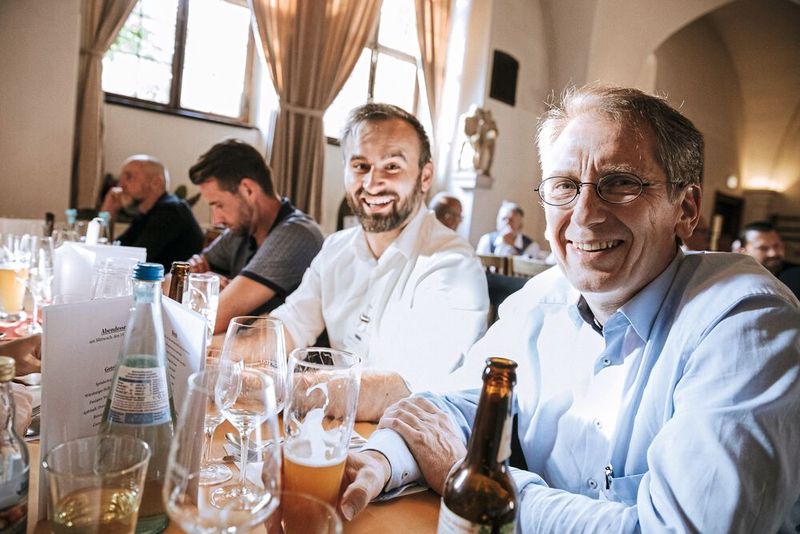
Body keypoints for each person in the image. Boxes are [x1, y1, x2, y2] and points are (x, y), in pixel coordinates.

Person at [339, 86, 800, 531]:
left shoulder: (748, 325)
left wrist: (475, 481)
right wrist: (382, 461)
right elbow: (455, 406)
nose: (584, 214)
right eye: (563, 186)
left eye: (619, 183)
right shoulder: (541, 299)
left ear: (686, 207)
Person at [270, 103, 489, 417]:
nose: (372, 183)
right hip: (331, 431)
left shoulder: (453, 265)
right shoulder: (335, 249)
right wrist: (214, 356)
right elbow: (286, 329)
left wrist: (274, 388)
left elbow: (404, 387)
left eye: (392, 166)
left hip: (404, 448)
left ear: (425, 176)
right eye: (360, 166)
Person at [187, 140, 324, 334]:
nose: (216, 219)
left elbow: (213, 321)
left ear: (248, 190)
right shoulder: (240, 231)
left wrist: (196, 286)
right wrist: (194, 279)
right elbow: (168, 284)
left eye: (219, 205)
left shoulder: (297, 235)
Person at [101, 155, 204, 269]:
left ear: (156, 183)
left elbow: (133, 262)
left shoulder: (170, 211)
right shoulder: (147, 213)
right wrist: (109, 212)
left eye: (129, 177)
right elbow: (114, 250)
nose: (121, 185)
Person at [476, 201, 542, 257]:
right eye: (503, 219)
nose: (507, 223)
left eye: (512, 220)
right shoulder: (487, 240)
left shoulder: (531, 246)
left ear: (520, 223)